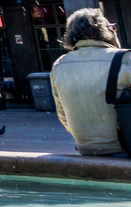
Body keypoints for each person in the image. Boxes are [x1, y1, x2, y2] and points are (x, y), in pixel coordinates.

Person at [49, 8, 131, 156]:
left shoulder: (60, 65)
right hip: (124, 148)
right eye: (112, 27)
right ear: (105, 31)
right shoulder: (125, 59)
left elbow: (62, 114)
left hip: (86, 149)